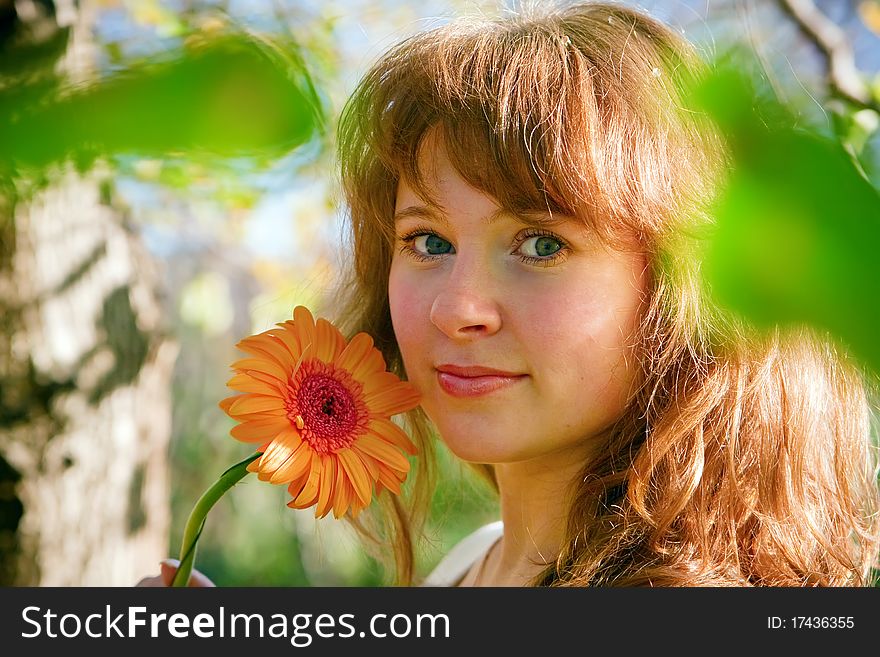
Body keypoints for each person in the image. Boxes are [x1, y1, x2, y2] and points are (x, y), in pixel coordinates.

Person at [141, 0, 880, 587]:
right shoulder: (477, 560)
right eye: (427, 241)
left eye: (542, 243)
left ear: (690, 287)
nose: (457, 308)